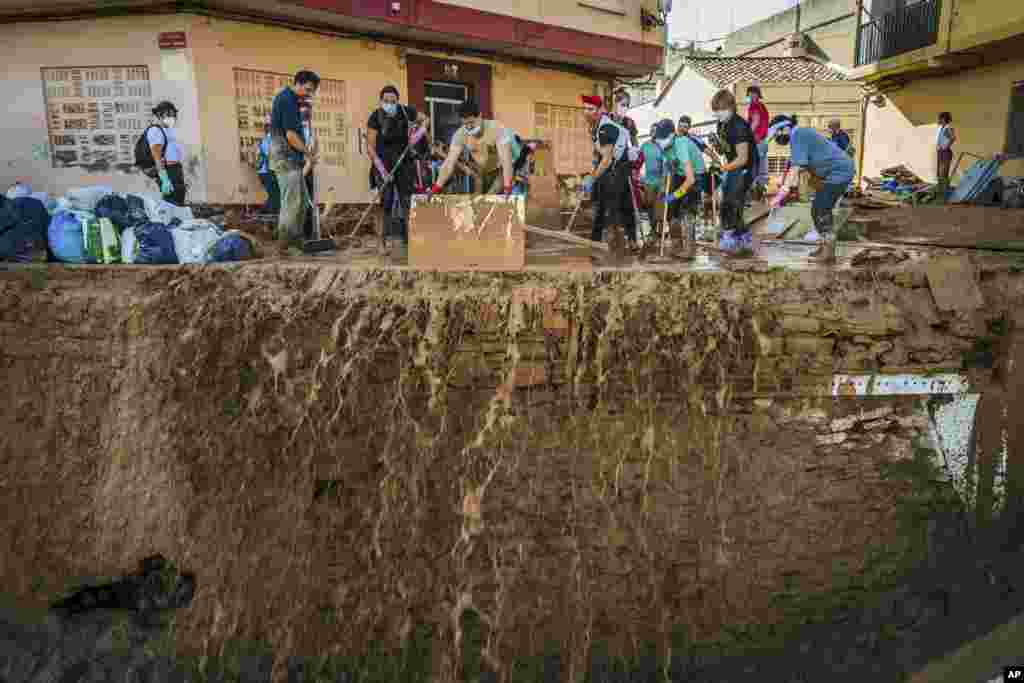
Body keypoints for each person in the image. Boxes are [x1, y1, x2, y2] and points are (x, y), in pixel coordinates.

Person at [767, 114, 855, 264]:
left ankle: (828, 252)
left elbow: (796, 168)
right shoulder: (800, 135)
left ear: (786, 128)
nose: (777, 137)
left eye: (777, 133)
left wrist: (781, 194)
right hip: (834, 173)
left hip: (839, 172)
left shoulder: (798, 135)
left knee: (820, 209)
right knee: (820, 209)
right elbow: (800, 165)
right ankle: (824, 247)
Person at [367, 85, 430, 247]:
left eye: (392, 101)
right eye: (386, 101)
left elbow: (425, 119)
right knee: (386, 202)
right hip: (383, 162)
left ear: (397, 101)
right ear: (381, 101)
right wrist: (382, 171)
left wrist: (419, 133)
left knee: (407, 201)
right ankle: (381, 243)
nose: (389, 103)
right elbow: (370, 147)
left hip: (404, 161)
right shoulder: (375, 117)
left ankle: (410, 241)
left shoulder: (405, 111)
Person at [429, 99, 527, 196]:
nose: (469, 127)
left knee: (493, 194)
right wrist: (436, 187)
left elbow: (506, 161)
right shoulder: (460, 134)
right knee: (482, 196)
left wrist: (507, 186)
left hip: (512, 162)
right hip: (487, 166)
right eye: (465, 124)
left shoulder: (497, 129)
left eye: (471, 122)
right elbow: (448, 164)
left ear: (480, 115)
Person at [269, 70, 320, 254]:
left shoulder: (292, 101)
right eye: (308, 89)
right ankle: (284, 245)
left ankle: (296, 241)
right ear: (298, 83)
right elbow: (291, 135)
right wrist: (309, 154)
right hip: (285, 158)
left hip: (292, 159)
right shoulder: (287, 100)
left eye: (312, 91)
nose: (309, 94)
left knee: (301, 204)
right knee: (291, 202)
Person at [579, 94, 637, 253]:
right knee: (605, 204)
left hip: (618, 168)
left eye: (590, 109)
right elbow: (600, 152)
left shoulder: (608, 127)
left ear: (600, 110)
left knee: (616, 206)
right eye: (585, 108)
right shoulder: (595, 125)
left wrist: (592, 177)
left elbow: (607, 158)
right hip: (612, 166)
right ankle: (599, 241)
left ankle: (620, 241)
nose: (586, 112)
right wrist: (594, 167)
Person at [711, 89, 759, 253]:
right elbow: (725, 149)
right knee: (730, 200)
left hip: (746, 167)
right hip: (733, 164)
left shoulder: (738, 125)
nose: (718, 114)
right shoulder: (722, 123)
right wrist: (717, 144)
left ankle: (729, 237)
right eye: (716, 111)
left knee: (731, 202)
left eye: (721, 110)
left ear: (731, 108)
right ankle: (743, 237)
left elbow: (743, 158)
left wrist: (722, 168)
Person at [652, 119, 700, 259]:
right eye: (658, 138)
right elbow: (670, 168)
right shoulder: (665, 146)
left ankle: (690, 249)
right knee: (673, 211)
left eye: (663, 138)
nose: (660, 141)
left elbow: (690, 179)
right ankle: (676, 245)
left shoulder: (681, 145)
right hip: (679, 175)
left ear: (672, 135)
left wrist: (674, 195)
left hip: (695, 177)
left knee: (687, 211)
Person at [146, 101, 187, 206]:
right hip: (168, 171)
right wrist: (164, 179)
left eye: (173, 115)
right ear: (159, 116)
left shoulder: (168, 130)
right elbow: (157, 157)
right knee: (172, 203)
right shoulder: (155, 131)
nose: (171, 118)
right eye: (168, 115)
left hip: (176, 169)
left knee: (179, 199)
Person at [746, 85, 771, 195]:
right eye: (750, 93)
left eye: (752, 93)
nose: (751, 95)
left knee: (753, 165)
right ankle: (761, 188)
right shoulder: (762, 106)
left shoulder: (754, 106)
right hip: (763, 139)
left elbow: (755, 121)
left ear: (756, 95)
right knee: (762, 165)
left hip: (756, 140)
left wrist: (747, 134)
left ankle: (754, 189)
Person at [255, 115, 280, 214]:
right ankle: (265, 213)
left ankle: (265, 212)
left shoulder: (265, 139)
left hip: (265, 172)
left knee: (274, 195)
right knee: (275, 196)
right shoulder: (270, 138)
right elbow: (270, 154)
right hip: (269, 172)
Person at [936, 111, 957, 201]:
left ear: (944, 119)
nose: (938, 120)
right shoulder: (942, 128)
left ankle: (945, 196)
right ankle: (942, 194)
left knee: (943, 174)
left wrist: (945, 146)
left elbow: (953, 138)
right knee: (940, 174)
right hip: (941, 152)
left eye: (940, 118)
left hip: (945, 152)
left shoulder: (948, 128)